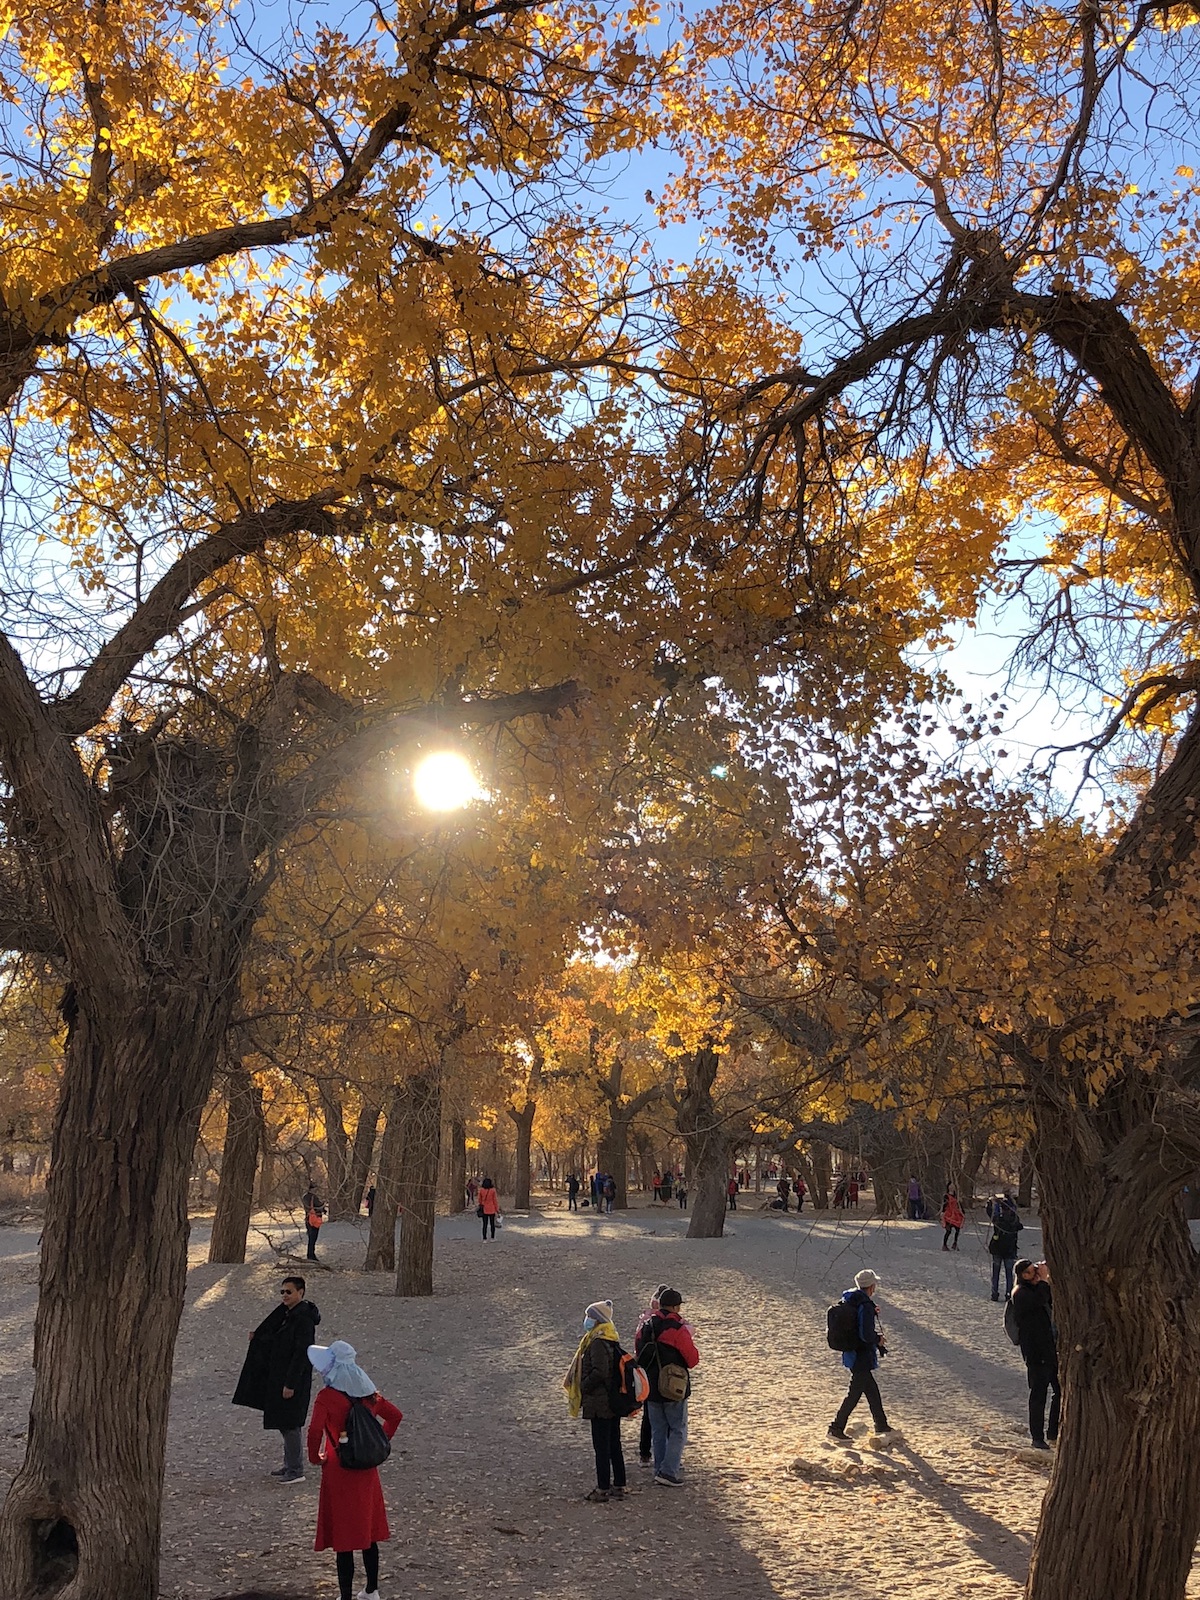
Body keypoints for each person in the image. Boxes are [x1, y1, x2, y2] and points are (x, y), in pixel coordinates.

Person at [307, 1340, 403, 1600]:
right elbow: (395, 1416)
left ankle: (346, 1596)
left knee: (344, 1537)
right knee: (368, 1532)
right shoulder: (370, 1394)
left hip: (339, 1468)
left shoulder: (327, 1397)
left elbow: (315, 1430)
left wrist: (316, 1458)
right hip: (366, 1470)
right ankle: (372, 1590)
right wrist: (376, 1443)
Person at [233, 1275, 322, 1482]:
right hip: (280, 1377)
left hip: (293, 1380)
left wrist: (290, 1384)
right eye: (282, 1292)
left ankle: (295, 1471)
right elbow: (274, 1335)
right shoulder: (287, 1314)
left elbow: (301, 1353)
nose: (284, 1296)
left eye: (288, 1292)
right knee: (285, 1422)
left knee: (290, 1424)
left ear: (300, 1293)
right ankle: (290, 1464)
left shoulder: (303, 1319)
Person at [564, 1299, 629, 1502]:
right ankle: (619, 1484)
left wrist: (582, 1387)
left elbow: (600, 1371)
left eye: (590, 1317)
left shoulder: (598, 1341)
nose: (587, 1320)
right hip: (611, 1400)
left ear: (597, 1319)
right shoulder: (610, 1338)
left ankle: (602, 1488)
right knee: (613, 1443)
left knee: (602, 1446)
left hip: (601, 1402)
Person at [634, 1286, 699, 1487]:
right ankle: (669, 1471)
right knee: (678, 1429)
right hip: (672, 1384)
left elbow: (638, 1350)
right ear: (676, 1307)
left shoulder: (645, 1325)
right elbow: (692, 1359)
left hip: (650, 1385)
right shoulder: (677, 1329)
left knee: (658, 1429)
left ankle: (659, 1468)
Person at [828, 1269, 895, 1441]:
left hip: (852, 1352)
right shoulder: (864, 1305)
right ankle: (835, 1428)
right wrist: (878, 1340)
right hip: (861, 1355)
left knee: (871, 1390)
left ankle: (881, 1424)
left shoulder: (851, 1300)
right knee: (854, 1393)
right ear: (871, 1287)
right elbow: (866, 1335)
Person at [1011, 1259, 1060, 1450]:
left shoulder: (1034, 1289)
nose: (1037, 1275)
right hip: (1035, 1352)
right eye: (1032, 1272)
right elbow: (1039, 1299)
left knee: (1060, 1390)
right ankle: (1037, 1437)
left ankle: (1053, 1432)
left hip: (1049, 1350)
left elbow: (1049, 1299)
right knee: (1038, 1394)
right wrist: (1044, 1280)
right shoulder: (1020, 1293)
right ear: (1024, 1275)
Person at [634, 1285, 668, 1467]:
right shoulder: (667, 1322)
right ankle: (665, 1456)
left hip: (647, 1372)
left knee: (649, 1415)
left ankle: (645, 1453)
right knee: (667, 1417)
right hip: (664, 1372)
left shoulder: (644, 1322)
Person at [987, 1191, 1023, 1300]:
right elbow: (1015, 1211)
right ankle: (1009, 1293)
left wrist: (990, 1202)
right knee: (1009, 1274)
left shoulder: (998, 1219)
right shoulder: (1014, 1220)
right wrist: (1009, 1198)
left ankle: (994, 1293)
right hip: (1010, 1249)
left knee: (996, 1273)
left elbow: (989, 1212)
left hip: (997, 1248)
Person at [303, 1185, 325, 1261]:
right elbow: (319, 1206)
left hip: (308, 1219)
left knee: (310, 1238)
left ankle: (309, 1254)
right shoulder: (314, 1197)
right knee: (313, 1238)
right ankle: (311, 1255)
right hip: (314, 1220)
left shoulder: (304, 1197)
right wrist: (323, 1205)